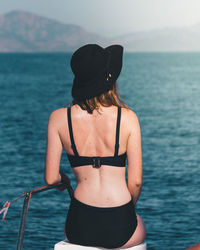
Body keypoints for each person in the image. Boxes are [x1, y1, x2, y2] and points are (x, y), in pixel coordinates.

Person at [44, 44, 146, 249]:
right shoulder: (127, 118)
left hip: (80, 223)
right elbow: (135, 182)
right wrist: (127, 211)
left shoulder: (58, 118)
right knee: (140, 224)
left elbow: (50, 178)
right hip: (120, 220)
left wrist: (63, 179)